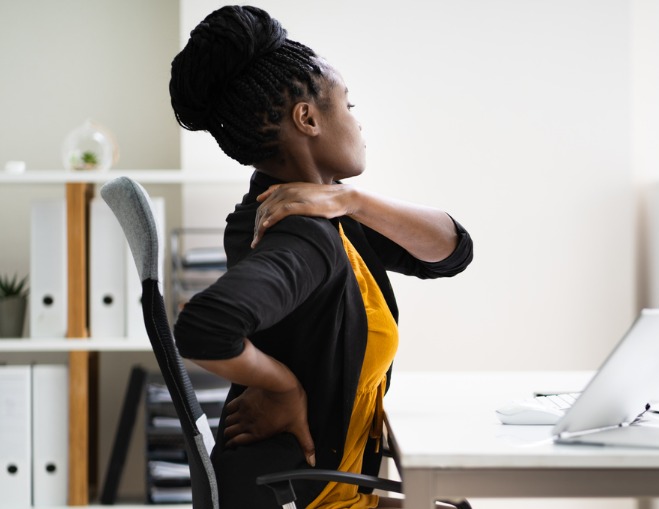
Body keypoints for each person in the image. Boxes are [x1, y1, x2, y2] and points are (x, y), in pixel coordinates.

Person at [169, 5, 473, 508]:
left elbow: (450, 251)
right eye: (348, 105)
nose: (357, 120)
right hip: (307, 494)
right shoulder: (301, 233)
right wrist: (284, 388)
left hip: (324, 485)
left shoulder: (320, 211)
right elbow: (204, 326)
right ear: (307, 118)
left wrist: (352, 199)